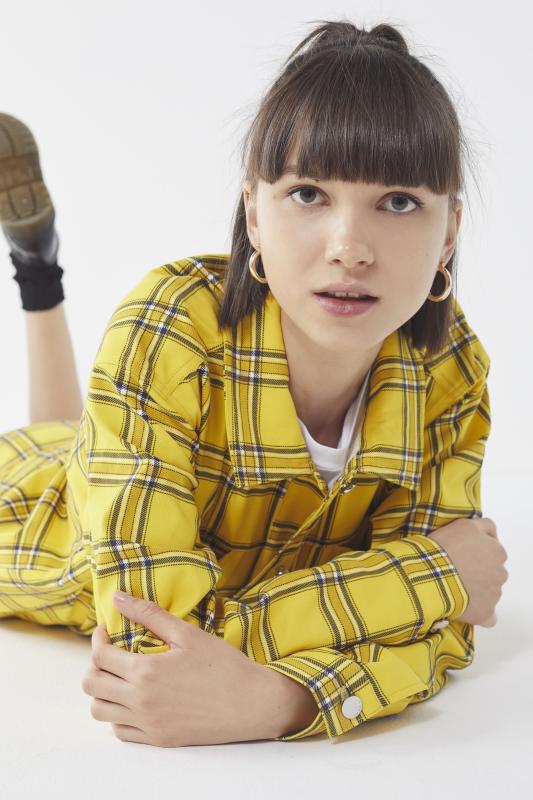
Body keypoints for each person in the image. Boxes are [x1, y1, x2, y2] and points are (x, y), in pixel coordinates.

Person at [0, 18, 508, 747]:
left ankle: (34, 260)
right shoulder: (172, 324)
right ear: (253, 214)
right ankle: (37, 273)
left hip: (114, 457)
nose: (349, 249)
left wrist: (284, 701)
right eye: (308, 194)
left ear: (449, 233)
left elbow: (442, 635)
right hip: (24, 510)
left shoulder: (448, 370)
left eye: (398, 202)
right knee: (57, 451)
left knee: (75, 435)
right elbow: (150, 649)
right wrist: (433, 575)